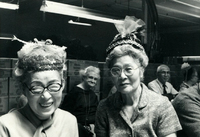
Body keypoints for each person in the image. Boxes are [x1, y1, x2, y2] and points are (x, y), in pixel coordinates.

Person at [95, 16, 182, 137]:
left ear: (141, 71)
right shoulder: (104, 107)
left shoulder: (162, 105)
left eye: (128, 69)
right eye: (116, 70)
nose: (122, 76)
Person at [0, 38, 78, 137]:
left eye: (53, 86)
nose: (46, 96)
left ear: (63, 85)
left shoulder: (69, 121)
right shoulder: (5, 126)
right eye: (36, 88)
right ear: (24, 89)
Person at [61, 66, 100, 137]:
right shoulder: (74, 93)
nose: (93, 81)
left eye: (95, 79)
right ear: (84, 77)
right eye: (90, 77)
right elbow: (66, 114)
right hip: (76, 129)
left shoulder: (93, 95)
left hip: (91, 130)